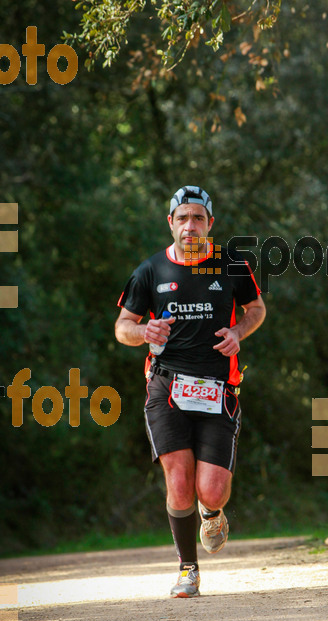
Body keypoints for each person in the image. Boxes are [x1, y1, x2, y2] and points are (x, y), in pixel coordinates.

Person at [115, 185, 266, 598]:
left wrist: (238, 331)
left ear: (210, 224)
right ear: (171, 223)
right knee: (179, 482)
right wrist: (143, 330)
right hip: (165, 385)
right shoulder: (150, 271)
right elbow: (122, 326)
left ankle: (212, 513)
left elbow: (256, 309)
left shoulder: (231, 264)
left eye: (198, 217)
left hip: (218, 387)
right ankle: (188, 568)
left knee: (211, 489)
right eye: (182, 218)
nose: (190, 225)